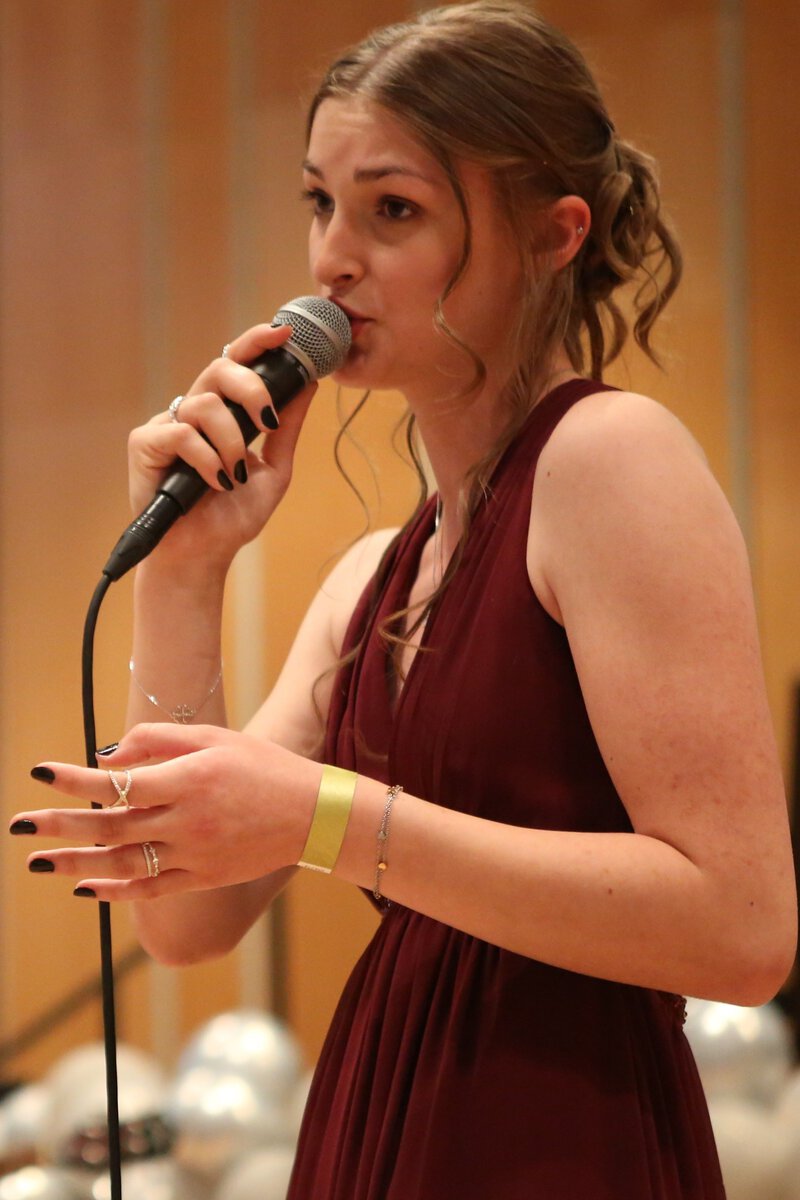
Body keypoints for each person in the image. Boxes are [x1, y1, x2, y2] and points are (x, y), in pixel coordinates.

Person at [12, 3, 797, 1196]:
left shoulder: (607, 458)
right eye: (319, 202)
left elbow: (740, 930)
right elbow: (182, 923)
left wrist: (325, 816)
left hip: (551, 1136)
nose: (331, 258)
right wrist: (185, 572)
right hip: (383, 1113)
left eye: (392, 210)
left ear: (551, 235)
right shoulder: (370, 579)